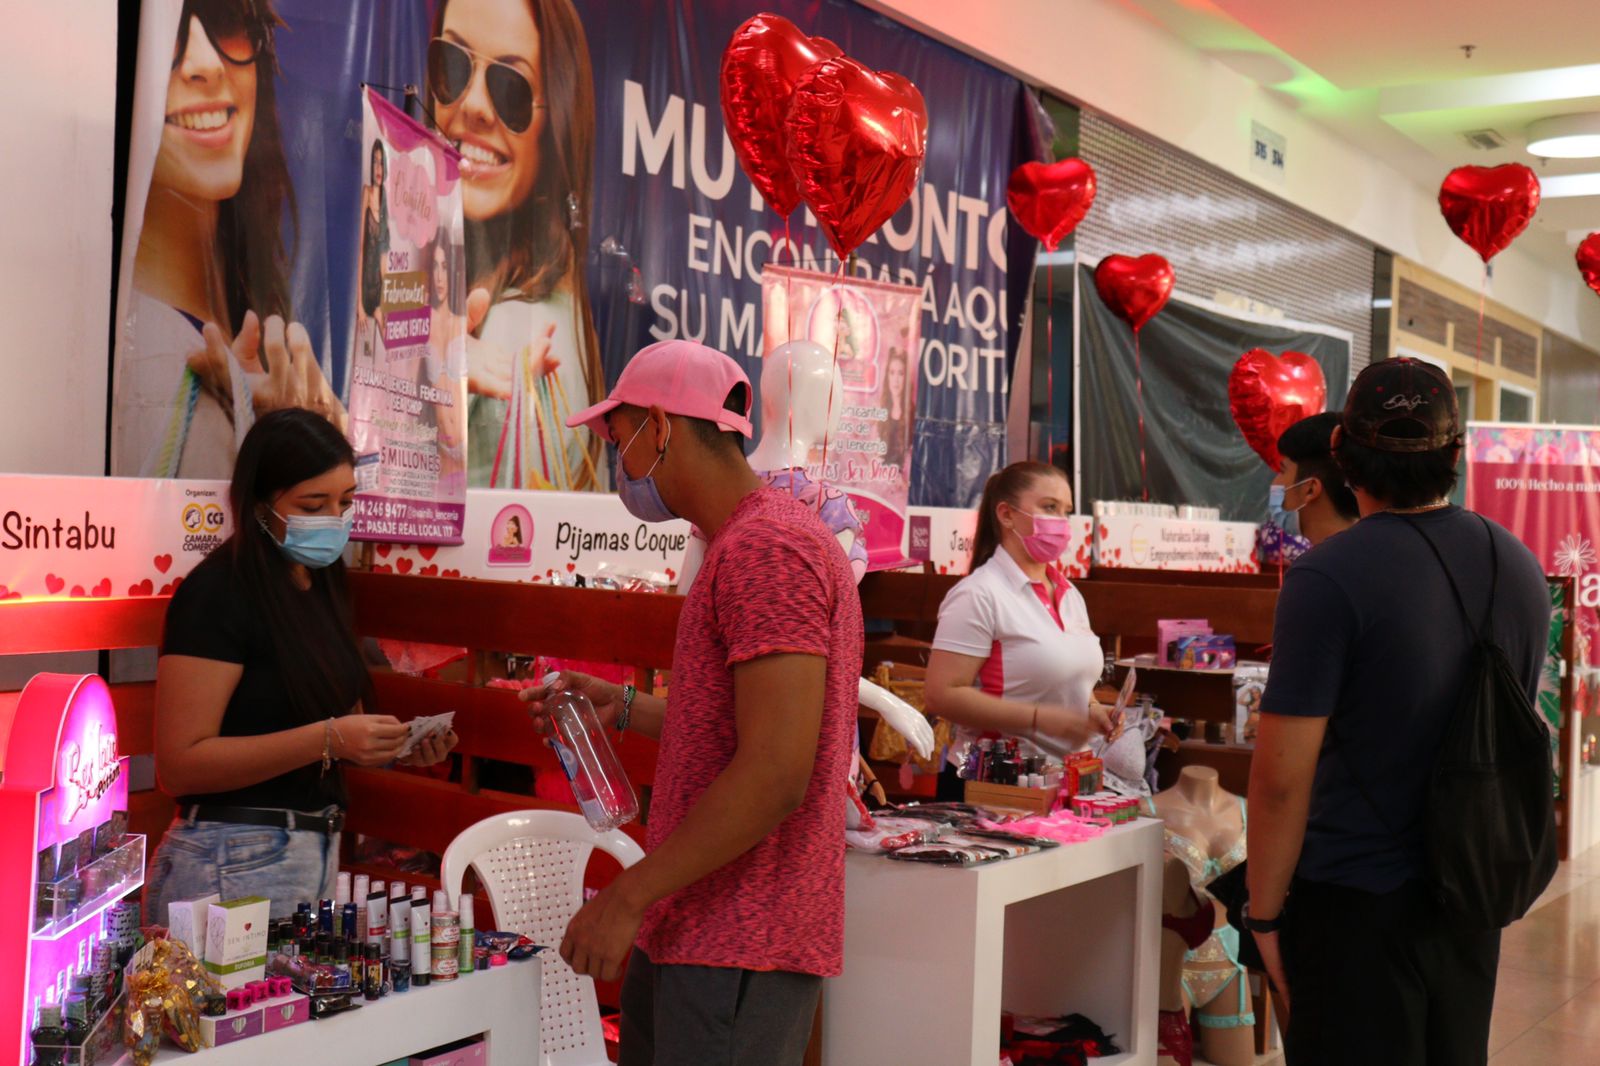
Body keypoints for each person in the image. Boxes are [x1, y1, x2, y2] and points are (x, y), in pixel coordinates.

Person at [521, 339, 863, 1066]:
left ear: (659, 427)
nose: (619, 463)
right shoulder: (747, 541)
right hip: (699, 928)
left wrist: (627, 896)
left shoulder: (766, 550)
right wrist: (620, 705)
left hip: (737, 939)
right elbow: (742, 727)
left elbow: (775, 772)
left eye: (618, 439)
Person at [1246, 359, 1550, 1066]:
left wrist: (1263, 916)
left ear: (1343, 453)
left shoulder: (1328, 576)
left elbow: (1281, 781)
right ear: (1455, 455)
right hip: (1473, 890)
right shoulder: (1519, 565)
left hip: (1352, 900)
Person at [145, 409, 458, 921]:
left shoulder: (322, 584)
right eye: (314, 505)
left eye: (346, 502)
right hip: (229, 859)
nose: (334, 519)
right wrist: (328, 739)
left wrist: (397, 747)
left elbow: (334, 727)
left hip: (312, 852)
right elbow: (179, 766)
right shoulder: (218, 593)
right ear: (259, 504)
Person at [116, 0, 344, 479]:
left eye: (225, 21)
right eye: (167, 38)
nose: (206, 64)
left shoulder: (253, 328)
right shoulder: (135, 357)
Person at [428, 0, 604, 490]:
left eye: (512, 88)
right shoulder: (476, 305)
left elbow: (480, 527)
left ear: (556, 126)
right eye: (452, 65)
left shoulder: (517, 333)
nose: (474, 106)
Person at [924, 461, 1116, 800]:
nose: (1061, 522)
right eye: (1049, 507)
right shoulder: (978, 594)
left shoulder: (1069, 594)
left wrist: (1092, 709)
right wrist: (1039, 718)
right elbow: (941, 695)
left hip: (1064, 781)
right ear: (1006, 514)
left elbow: (1066, 677)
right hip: (992, 783)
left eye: (1066, 511)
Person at [1269, 412, 1359, 548]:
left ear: (1310, 489)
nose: (1275, 483)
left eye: (1282, 470)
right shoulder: (1378, 552)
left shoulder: (1319, 561)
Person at [881, 347, 910, 471]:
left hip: (902, 478)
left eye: (901, 373)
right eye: (892, 373)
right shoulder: (880, 411)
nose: (896, 380)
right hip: (879, 476)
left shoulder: (911, 413)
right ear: (887, 376)